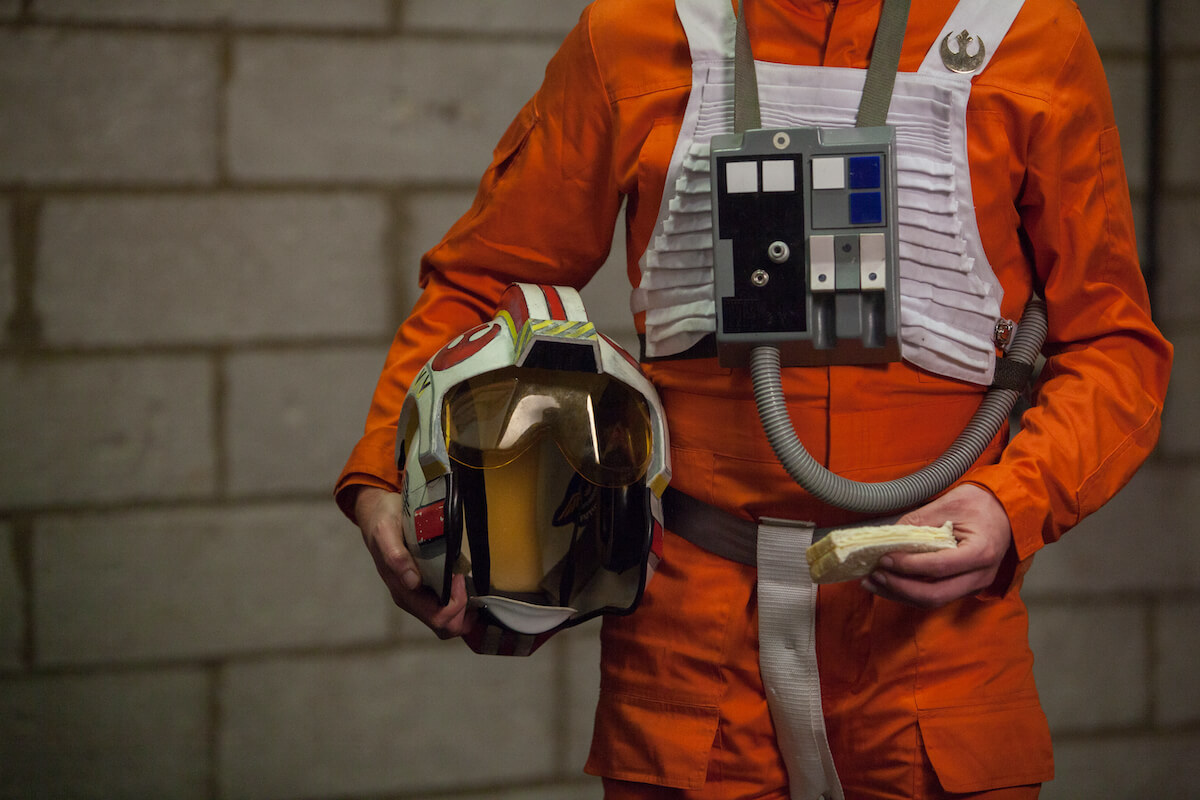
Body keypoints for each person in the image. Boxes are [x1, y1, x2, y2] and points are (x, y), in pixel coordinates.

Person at [336, 0, 1173, 797]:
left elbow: (1114, 347)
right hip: (686, 636)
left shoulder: (1025, 34)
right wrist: (383, 476)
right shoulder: (637, 32)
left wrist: (1011, 501)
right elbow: (484, 285)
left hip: (933, 637)